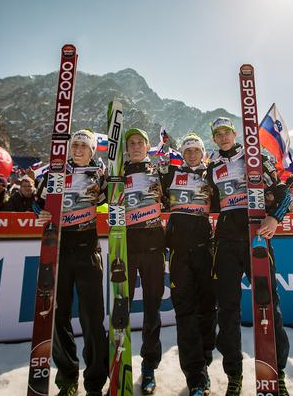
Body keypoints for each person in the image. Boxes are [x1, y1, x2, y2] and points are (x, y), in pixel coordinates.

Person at [206, 117, 291, 396]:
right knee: (227, 310)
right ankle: (234, 375)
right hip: (226, 242)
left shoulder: (254, 157)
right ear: (215, 139)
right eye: (217, 134)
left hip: (255, 238)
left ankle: (276, 375)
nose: (223, 137)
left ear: (234, 134)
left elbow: (283, 193)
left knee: (268, 305)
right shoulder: (212, 167)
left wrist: (274, 218)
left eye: (226, 132)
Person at [37, 129, 108, 396]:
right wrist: (41, 213)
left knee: (92, 319)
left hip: (88, 250)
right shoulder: (54, 174)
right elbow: (37, 203)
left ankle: (95, 382)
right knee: (58, 316)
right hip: (59, 252)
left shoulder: (99, 176)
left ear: (92, 151)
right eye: (75, 145)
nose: (78, 149)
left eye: (83, 146)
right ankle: (67, 378)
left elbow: (112, 201)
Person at [160, 133, 216, 396]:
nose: (192, 154)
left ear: (203, 152)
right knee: (185, 313)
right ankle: (195, 375)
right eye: (188, 150)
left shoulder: (213, 174)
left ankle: (204, 359)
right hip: (180, 253)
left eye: (196, 150)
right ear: (182, 153)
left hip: (206, 252)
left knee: (207, 309)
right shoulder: (171, 174)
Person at [122, 127, 166, 394]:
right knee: (120, 309)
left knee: (152, 311)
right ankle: (118, 365)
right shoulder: (116, 173)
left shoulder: (160, 172)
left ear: (148, 146)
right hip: (124, 248)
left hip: (153, 248)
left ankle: (149, 367)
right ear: (126, 148)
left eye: (140, 142)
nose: (136, 146)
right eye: (132, 143)